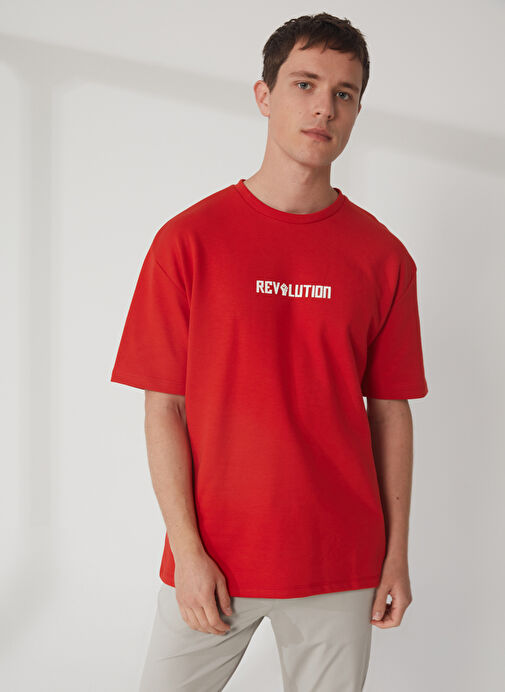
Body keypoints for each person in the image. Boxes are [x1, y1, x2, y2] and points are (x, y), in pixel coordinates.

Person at [110, 12, 429, 692]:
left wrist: (396, 555)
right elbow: (164, 408)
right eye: (304, 84)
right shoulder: (188, 241)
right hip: (215, 558)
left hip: (340, 560)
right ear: (264, 95)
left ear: (357, 111)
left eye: (344, 93)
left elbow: (390, 412)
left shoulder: (383, 257)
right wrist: (188, 553)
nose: (324, 107)